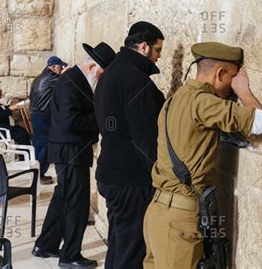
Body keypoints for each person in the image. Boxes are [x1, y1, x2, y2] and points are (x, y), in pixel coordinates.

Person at [143, 42, 262, 269]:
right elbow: (261, 123)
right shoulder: (203, 102)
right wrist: (244, 92)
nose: (231, 89)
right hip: (180, 218)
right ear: (220, 73)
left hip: (158, 211)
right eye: (231, 79)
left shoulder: (174, 99)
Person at [32, 42, 116, 268]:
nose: (100, 80)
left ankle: (45, 244)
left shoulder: (72, 79)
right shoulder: (71, 83)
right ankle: (70, 256)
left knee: (62, 197)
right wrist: (100, 117)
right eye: (101, 74)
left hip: (67, 149)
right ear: (91, 68)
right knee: (76, 203)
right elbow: (71, 122)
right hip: (70, 150)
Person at [94, 21, 165, 269]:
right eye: (157, 51)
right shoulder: (135, 79)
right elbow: (144, 137)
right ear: (144, 46)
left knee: (119, 245)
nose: (157, 58)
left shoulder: (112, 72)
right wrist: (161, 176)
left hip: (113, 175)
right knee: (131, 251)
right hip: (130, 180)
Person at [29, 55, 69, 185]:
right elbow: (67, 83)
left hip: (35, 115)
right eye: (60, 66)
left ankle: (35, 173)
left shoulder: (37, 78)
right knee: (48, 145)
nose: (62, 69)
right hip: (44, 116)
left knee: (39, 145)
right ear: (53, 67)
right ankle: (38, 174)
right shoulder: (52, 77)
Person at [0, 80, 31, 145]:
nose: (1, 90)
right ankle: (26, 154)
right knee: (22, 135)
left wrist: (9, 108)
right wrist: (10, 109)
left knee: (23, 131)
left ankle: (26, 154)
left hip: (2, 127)